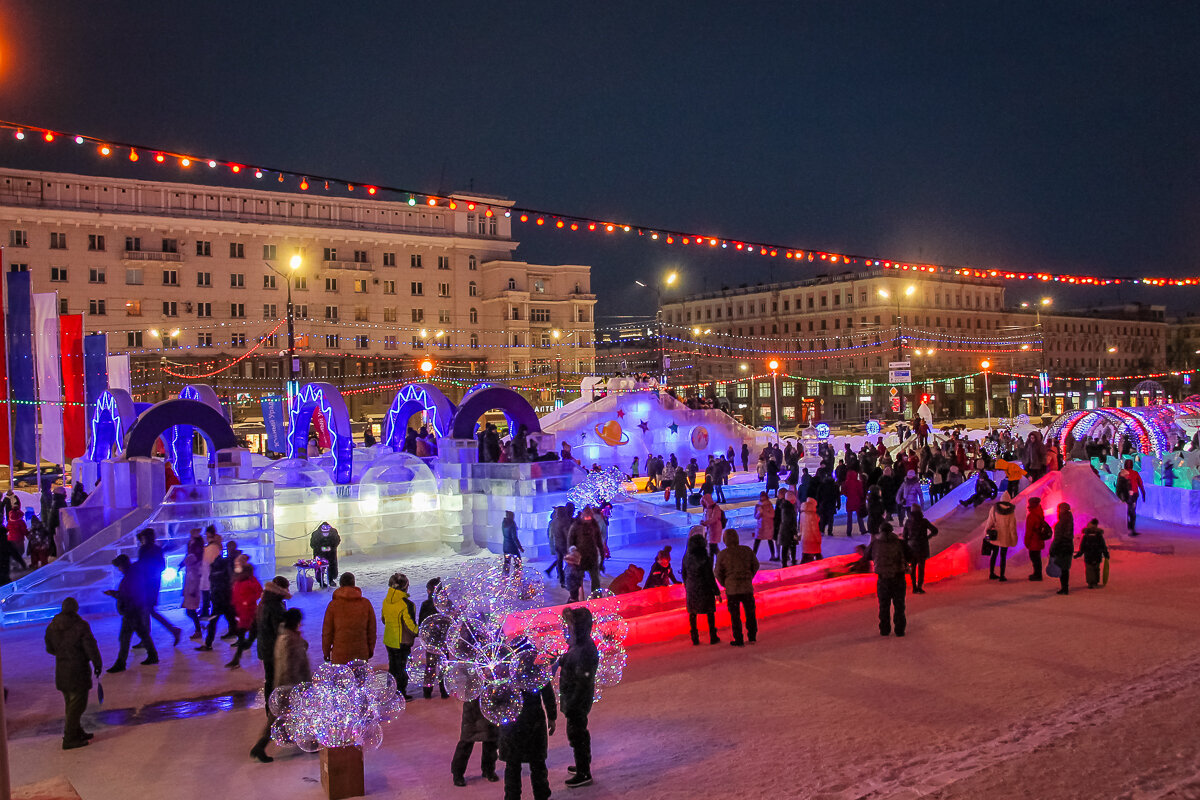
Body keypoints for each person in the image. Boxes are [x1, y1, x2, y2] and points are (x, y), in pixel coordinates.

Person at [44, 596, 103, 750]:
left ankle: (77, 732)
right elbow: (91, 647)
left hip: (62, 671)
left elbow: (50, 648)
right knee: (77, 706)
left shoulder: (52, 626)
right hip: (78, 671)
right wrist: (97, 663)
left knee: (71, 704)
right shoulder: (80, 626)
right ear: (76, 609)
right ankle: (70, 738)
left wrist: (63, 654)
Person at [248, 575, 291, 762]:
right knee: (278, 686)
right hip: (274, 651)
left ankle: (270, 709)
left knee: (271, 682)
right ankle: (272, 715)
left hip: (265, 649)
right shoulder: (275, 606)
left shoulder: (264, 602)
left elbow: (255, 626)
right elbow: (280, 631)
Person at [559, 606, 600, 788]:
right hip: (574, 697)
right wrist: (562, 660)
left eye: (570, 626)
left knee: (577, 734)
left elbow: (583, 679)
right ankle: (582, 764)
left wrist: (573, 703)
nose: (567, 629)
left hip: (577, 699)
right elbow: (572, 659)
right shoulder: (579, 644)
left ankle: (584, 772)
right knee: (578, 732)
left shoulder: (585, 649)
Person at [498, 684, 557, 800]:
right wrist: (552, 716)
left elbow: (494, 694)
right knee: (537, 764)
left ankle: (513, 796)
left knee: (513, 765)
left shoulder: (503, 668)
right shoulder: (536, 667)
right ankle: (541, 795)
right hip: (532, 719)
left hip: (511, 720)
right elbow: (547, 691)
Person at [105, 554, 158, 672]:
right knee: (143, 634)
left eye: (118, 566)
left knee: (124, 638)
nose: (118, 569)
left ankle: (121, 663)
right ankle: (153, 655)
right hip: (135, 610)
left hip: (131, 612)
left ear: (123, 565)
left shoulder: (129, 578)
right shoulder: (133, 575)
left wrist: (113, 593)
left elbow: (126, 595)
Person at [135, 528, 182, 646]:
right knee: (148, 611)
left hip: (146, 585)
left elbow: (142, 566)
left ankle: (170, 630)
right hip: (153, 584)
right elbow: (161, 567)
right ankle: (169, 631)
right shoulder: (156, 549)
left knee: (147, 611)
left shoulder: (145, 549)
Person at [714, 528, 759, 647]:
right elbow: (755, 565)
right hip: (746, 587)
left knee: (735, 615)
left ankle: (738, 638)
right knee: (750, 612)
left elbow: (717, 572)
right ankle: (752, 635)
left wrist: (725, 583)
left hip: (732, 589)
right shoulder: (746, 550)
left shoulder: (722, 554)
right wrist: (749, 576)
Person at [867, 522, 913, 637]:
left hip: (883, 579)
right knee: (899, 605)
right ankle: (899, 629)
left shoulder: (875, 544)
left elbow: (866, 555)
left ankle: (885, 629)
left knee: (884, 605)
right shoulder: (900, 543)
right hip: (898, 577)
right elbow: (911, 555)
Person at [322, 572, 377, 664]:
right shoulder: (365, 604)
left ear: (340, 584)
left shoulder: (333, 605)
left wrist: (326, 651)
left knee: (342, 678)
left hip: (340, 655)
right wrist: (370, 649)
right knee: (360, 677)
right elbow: (371, 630)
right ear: (354, 584)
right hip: (361, 653)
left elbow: (327, 632)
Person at [382, 572, 419, 700]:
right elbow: (410, 625)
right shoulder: (407, 604)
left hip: (389, 639)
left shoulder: (386, 601)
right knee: (403, 668)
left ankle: (391, 690)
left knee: (393, 666)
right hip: (402, 642)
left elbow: (383, 619)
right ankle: (401, 692)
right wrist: (419, 632)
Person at [680, 531, 720, 646]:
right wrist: (716, 591)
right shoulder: (705, 558)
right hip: (705, 588)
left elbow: (684, 573)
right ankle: (712, 635)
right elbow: (709, 576)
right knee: (710, 612)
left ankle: (695, 637)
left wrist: (687, 585)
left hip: (692, 587)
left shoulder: (686, 558)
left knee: (693, 613)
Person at [198, 540, 238, 651]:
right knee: (231, 618)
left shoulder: (222, 564)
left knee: (217, 620)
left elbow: (219, 581)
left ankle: (208, 644)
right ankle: (241, 639)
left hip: (220, 598)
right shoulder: (224, 563)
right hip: (224, 597)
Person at [452, 699, 501, 786]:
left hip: (491, 702)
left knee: (491, 740)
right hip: (473, 706)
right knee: (466, 741)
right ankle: (458, 773)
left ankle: (488, 770)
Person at [227, 554, 264, 668]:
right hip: (244, 613)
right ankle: (237, 658)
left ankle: (238, 658)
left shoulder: (246, 582)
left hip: (249, 613)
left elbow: (258, 592)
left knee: (249, 636)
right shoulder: (241, 581)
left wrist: (247, 602)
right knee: (248, 636)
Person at [418, 578, 451, 699]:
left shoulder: (426, 605)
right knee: (443, 665)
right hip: (443, 640)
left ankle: (427, 691)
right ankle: (444, 691)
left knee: (430, 666)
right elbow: (451, 622)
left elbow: (421, 623)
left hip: (431, 641)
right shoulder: (447, 603)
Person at [902, 507, 938, 593]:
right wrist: (927, 537)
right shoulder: (924, 521)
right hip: (922, 547)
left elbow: (904, 536)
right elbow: (935, 531)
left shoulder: (908, 522)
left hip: (911, 547)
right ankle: (920, 586)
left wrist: (907, 544)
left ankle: (914, 586)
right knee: (921, 567)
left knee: (913, 568)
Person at [568, 507, 604, 595]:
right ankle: (578, 598)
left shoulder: (594, 525)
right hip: (580, 557)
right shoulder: (576, 525)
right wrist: (572, 551)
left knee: (595, 578)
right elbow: (570, 540)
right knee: (578, 579)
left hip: (592, 556)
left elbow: (599, 541)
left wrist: (602, 557)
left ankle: (596, 598)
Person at [984, 499, 1018, 581]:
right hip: (1005, 537)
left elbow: (990, 522)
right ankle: (1002, 576)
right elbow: (1012, 527)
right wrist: (1014, 539)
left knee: (994, 555)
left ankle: (992, 573)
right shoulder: (1011, 511)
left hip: (995, 536)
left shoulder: (994, 508)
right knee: (1003, 557)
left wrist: (986, 533)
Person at [181, 529, 205, 638]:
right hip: (190, 592)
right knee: (190, 611)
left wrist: (193, 592)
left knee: (191, 611)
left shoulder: (193, 570)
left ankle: (198, 629)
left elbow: (194, 581)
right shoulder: (191, 570)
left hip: (192, 593)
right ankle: (199, 627)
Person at [1074, 519, 1110, 589]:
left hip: (1088, 555)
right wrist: (1106, 554)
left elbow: (1082, 547)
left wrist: (1078, 554)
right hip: (1097, 554)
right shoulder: (1099, 535)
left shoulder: (1086, 535)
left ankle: (1090, 582)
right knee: (1096, 568)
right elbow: (1103, 546)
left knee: (1089, 569)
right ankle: (1095, 582)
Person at [1048, 502, 1075, 595]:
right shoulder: (1070, 520)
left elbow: (1057, 538)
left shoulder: (1061, 523)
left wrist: (1052, 549)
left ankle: (1064, 588)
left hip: (1061, 547)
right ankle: (1065, 587)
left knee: (1063, 568)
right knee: (1065, 568)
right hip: (1068, 546)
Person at [544, 503, 572, 588]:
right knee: (569, 562)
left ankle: (561, 579)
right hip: (564, 545)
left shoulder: (554, 522)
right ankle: (567, 578)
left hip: (557, 544)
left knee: (559, 562)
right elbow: (567, 534)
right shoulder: (564, 522)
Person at [1115, 459, 1146, 536]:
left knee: (1129, 511)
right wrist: (1143, 494)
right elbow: (1140, 484)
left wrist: (1143, 494)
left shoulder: (1125, 473)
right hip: (1130, 495)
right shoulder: (1131, 473)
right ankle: (1130, 528)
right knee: (1130, 512)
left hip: (1131, 495)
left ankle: (1130, 528)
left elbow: (1119, 486)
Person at [309, 522, 341, 588]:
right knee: (319, 567)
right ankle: (321, 581)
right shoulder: (316, 534)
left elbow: (337, 540)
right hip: (319, 554)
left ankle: (331, 579)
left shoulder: (333, 533)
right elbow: (312, 544)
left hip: (331, 554)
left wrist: (331, 547)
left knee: (331, 566)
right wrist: (321, 548)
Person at [1024, 497, 1048, 581]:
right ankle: (1038, 574)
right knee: (1037, 557)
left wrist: (1026, 541)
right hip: (1039, 539)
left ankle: (1037, 575)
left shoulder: (1032, 516)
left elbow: (1029, 530)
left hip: (1034, 540)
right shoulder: (1040, 512)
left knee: (1034, 557)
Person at [200, 526, 221, 617]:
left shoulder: (211, 548)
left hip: (209, 575)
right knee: (208, 594)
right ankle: (206, 611)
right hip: (211, 576)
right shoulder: (215, 547)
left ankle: (206, 612)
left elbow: (209, 562)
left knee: (207, 594)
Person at [776, 490, 799, 568]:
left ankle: (789, 561)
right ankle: (786, 562)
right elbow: (788, 520)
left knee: (788, 546)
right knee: (788, 546)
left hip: (786, 530)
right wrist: (793, 531)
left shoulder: (787, 507)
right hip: (787, 531)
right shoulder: (788, 508)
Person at [841, 468, 868, 536]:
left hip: (849, 501)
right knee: (859, 516)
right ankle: (862, 529)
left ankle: (849, 531)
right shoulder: (858, 482)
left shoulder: (846, 483)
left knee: (849, 517)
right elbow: (861, 492)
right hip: (857, 501)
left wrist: (848, 495)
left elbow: (844, 491)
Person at [752, 491, 776, 561]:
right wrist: (759, 513)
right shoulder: (758, 505)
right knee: (757, 541)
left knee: (769, 540)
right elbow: (756, 516)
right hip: (760, 526)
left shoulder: (769, 505)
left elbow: (772, 515)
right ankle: (753, 556)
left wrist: (764, 512)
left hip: (768, 526)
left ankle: (773, 555)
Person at [701, 492, 724, 563]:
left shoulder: (715, 508)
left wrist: (705, 523)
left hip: (715, 530)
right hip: (710, 530)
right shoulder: (707, 508)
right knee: (713, 547)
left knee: (712, 547)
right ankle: (720, 561)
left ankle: (716, 563)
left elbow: (714, 519)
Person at [799, 497, 823, 564]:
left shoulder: (802, 514)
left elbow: (801, 527)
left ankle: (802, 568)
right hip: (812, 540)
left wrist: (801, 535)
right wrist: (818, 539)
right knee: (817, 555)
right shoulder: (813, 516)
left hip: (805, 538)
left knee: (805, 555)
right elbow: (815, 529)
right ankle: (821, 568)